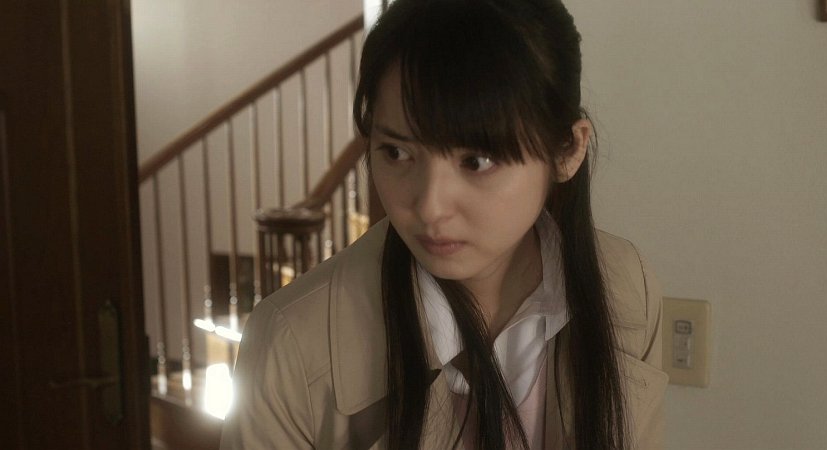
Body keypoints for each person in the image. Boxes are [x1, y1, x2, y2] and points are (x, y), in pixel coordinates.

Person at [220, 0, 668, 448]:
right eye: (397, 153)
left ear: (567, 150)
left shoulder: (626, 285)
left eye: (477, 160)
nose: (430, 207)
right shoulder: (292, 344)